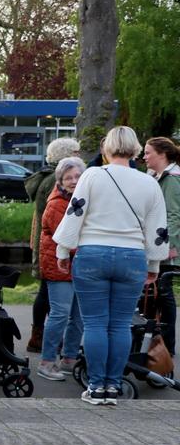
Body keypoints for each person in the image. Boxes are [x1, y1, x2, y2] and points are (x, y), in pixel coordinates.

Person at [54, 126, 168, 405]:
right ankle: (113, 386)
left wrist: (63, 249)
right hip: (132, 257)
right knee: (120, 325)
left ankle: (96, 387)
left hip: (92, 254)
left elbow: (75, 212)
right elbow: (157, 227)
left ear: (107, 148)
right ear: (135, 148)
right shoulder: (149, 183)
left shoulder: (92, 175)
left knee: (94, 323)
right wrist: (153, 263)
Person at [25, 137, 81, 353]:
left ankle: (40, 337)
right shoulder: (53, 182)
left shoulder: (45, 177)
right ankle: (43, 340)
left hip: (46, 242)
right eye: (75, 152)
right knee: (51, 298)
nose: (79, 155)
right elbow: (57, 218)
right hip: (53, 246)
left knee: (47, 293)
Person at [36, 157, 86, 381]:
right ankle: (47, 362)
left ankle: (69, 358)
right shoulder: (57, 203)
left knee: (78, 316)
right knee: (60, 314)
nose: (73, 181)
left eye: (77, 176)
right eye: (68, 178)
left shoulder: (81, 199)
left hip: (78, 265)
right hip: (59, 265)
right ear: (60, 181)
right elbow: (66, 239)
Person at [143, 137, 180, 355]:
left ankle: (167, 345)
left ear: (162, 154)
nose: (144, 156)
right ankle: (155, 342)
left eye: (148, 152)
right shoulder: (155, 176)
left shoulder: (172, 178)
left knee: (164, 294)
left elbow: (174, 215)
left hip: (165, 246)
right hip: (157, 242)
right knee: (156, 293)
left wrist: (167, 246)